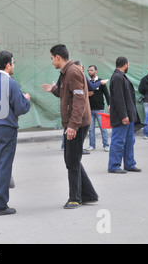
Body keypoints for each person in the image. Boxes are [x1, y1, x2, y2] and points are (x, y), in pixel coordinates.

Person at [42, 45, 98, 209]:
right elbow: (65, 93)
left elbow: (79, 100)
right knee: (73, 159)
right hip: (75, 122)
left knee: (72, 161)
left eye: (52, 58)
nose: (51, 62)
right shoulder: (66, 73)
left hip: (77, 123)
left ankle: (75, 198)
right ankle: (89, 194)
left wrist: (73, 126)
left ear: (58, 57)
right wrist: (53, 89)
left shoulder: (72, 72)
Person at [0, 51, 30, 216]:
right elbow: (20, 108)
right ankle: (0, 204)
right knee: (4, 165)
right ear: (8, 64)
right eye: (13, 62)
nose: (14, 65)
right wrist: (26, 100)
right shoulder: (11, 83)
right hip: (6, 127)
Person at [108, 57, 142, 174]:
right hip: (122, 116)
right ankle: (114, 166)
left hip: (129, 115)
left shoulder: (121, 76)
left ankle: (129, 164)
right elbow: (118, 97)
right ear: (126, 65)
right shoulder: (117, 77)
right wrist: (123, 115)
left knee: (129, 141)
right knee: (118, 141)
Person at [85, 65, 110, 152]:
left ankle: (106, 145)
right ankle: (92, 145)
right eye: (88, 70)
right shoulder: (87, 82)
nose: (89, 72)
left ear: (96, 71)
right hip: (90, 109)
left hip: (100, 109)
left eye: (91, 70)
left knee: (103, 128)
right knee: (91, 129)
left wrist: (109, 104)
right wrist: (87, 94)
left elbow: (106, 94)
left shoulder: (101, 81)